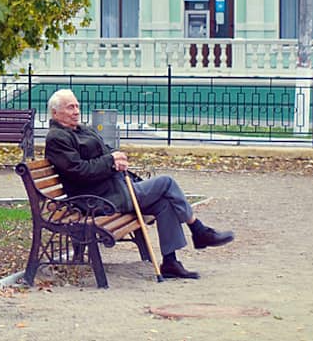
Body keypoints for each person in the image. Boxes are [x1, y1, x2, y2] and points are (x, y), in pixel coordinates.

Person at [44, 89, 234, 279]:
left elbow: (106, 150)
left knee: (164, 204)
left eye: (77, 106)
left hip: (113, 189)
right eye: (70, 107)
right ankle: (199, 230)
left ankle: (170, 262)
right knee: (166, 183)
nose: (76, 111)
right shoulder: (57, 138)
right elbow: (79, 171)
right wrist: (110, 161)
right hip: (97, 199)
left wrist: (117, 157)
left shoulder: (82, 129)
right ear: (55, 112)